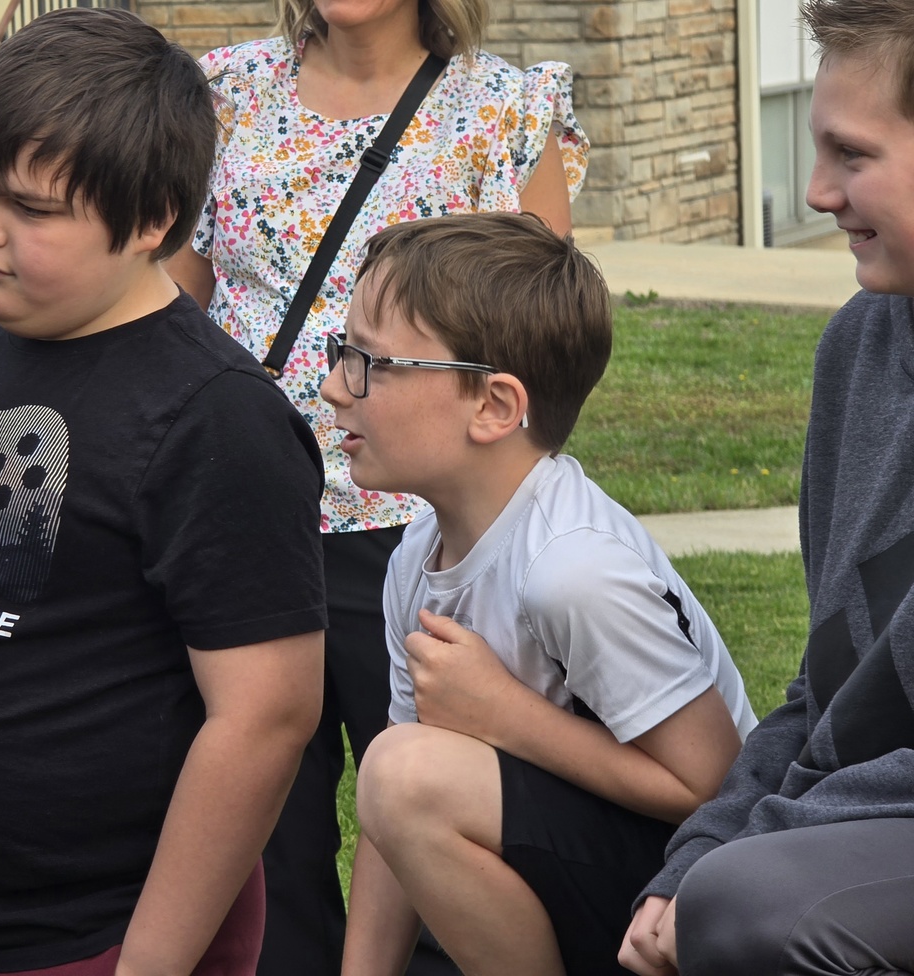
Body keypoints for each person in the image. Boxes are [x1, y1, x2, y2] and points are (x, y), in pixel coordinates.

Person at [0, 9, 326, 976]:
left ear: (152, 222)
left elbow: (264, 717)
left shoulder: (218, 422)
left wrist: (150, 964)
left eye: (33, 208)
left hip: (90, 935)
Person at [165, 0, 590, 972]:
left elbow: (539, 348)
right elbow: (175, 317)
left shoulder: (504, 109)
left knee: (441, 824)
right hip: (242, 523)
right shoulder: (220, 96)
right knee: (259, 852)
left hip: (422, 536)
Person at [316, 211, 759, 976]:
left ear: (494, 406)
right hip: (580, 866)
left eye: (371, 363)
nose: (331, 388)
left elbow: (716, 783)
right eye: (340, 353)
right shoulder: (414, 560)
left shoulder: (571, 571)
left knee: (403, 770)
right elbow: (394, 819)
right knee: (401, 768)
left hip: (692, 889)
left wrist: (506, 717)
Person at [618, 2, 914, 973]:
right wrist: (696, 850)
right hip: (864, 809)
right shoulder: (858, 346)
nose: (816, 190)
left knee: (751, 903)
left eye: (851, 153)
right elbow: (830, 679)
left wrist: (746, 849)